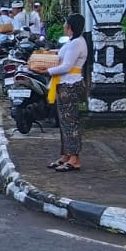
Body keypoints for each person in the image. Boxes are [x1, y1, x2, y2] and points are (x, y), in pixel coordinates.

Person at [48, 12, 91, 172]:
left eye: (66, 24)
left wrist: (48, 71)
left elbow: (66, 67)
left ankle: (74, 158)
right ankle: (65, 155)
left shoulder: (77, 44)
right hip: (63, 84)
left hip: (70, 85)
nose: (64, 26)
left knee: (70, 122)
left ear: (71, 27)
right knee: (64, 122)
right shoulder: (72, 42)